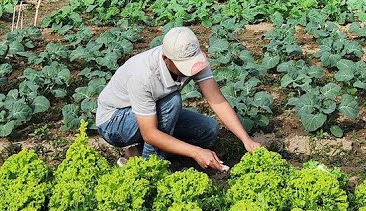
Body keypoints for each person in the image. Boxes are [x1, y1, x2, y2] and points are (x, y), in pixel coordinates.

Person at [95, 26, 262, 171]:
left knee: (208, 129)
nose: (189, 70)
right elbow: (150, 134)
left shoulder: (194, 58)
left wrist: (246, 140)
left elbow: (216, 100)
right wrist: (196, 152)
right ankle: (150, 166)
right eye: (183, 65)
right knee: (171, 101)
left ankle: (138, 151)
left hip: (148, 114)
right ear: (166, 59)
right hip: (115, 122)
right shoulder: (142, 75)